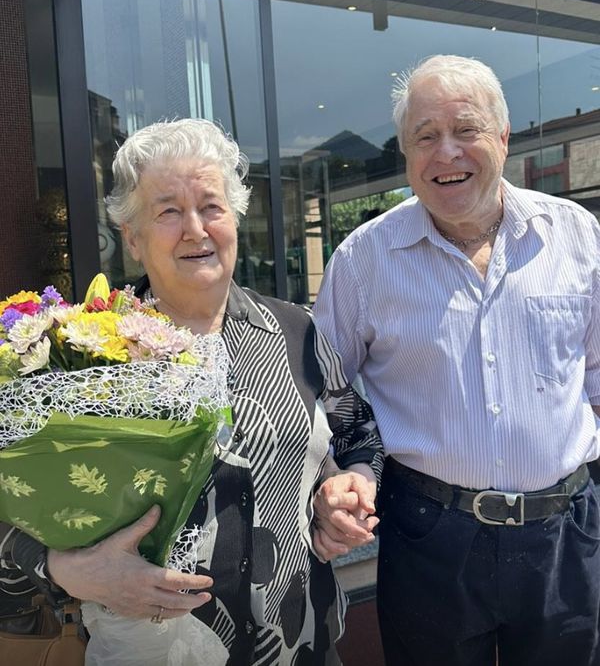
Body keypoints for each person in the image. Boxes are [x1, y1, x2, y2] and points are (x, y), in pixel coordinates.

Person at [0, 118, 383, 665]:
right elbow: (13, 492)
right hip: (154, 648)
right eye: (168, 211)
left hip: (300, 643)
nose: (195, 229)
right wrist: (64, 568)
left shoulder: (297, 331)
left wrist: (348, 488)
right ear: (131, 236)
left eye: (211, 206)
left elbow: (358, 432)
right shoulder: (80, 349)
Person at [312, 54, 600, 666]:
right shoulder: (365, 260)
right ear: (406, 153)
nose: (447, 153)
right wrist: (344, 477)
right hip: (429, 536)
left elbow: (598, 380)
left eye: (465, 130)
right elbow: (322, 391)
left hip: (566, 535)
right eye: (425, 137)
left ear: (501, 136)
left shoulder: (577, 236)